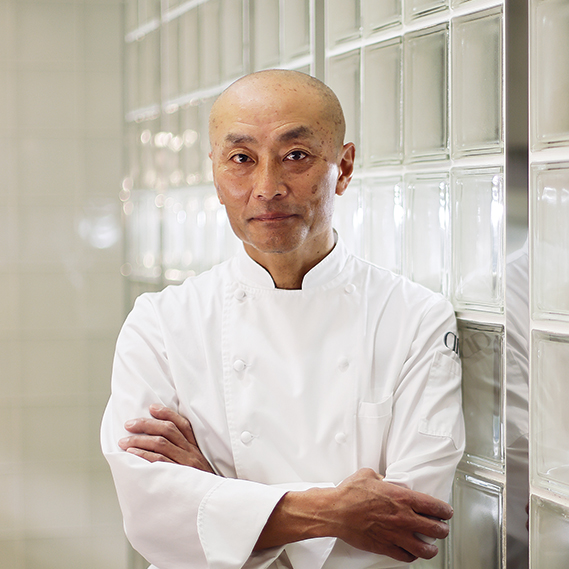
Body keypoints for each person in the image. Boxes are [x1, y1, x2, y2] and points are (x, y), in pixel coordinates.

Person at [101, 69, 465, 569]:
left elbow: (410, 525)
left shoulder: (415, 318)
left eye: (296, 156)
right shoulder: (162, 323)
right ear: (215, 172)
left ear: (344, 167)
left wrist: (222, 498)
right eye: (241, 159)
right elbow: (150, 514)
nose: (267, 187)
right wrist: (338, 512)